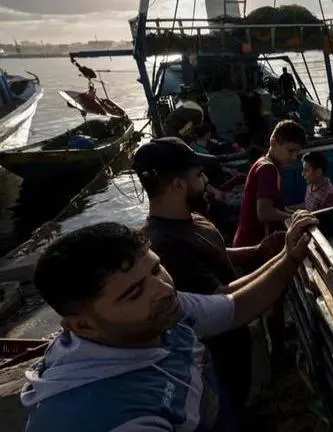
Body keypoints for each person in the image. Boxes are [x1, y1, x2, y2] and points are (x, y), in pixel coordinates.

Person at [21, 213, 317, 431]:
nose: (164, 289)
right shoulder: (111, 417)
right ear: (83, 326)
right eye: (134, 293)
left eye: (157, 269)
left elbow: (236, 307)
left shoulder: (159, 313)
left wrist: (288, 258)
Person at [131, 137, 284, 418]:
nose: (205, 182)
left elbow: (215, 251)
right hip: (215, 361)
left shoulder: (192, 219)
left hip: (236, 344)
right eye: (199, 175)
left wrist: (258, 250)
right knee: (228, 413)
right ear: (178, 185)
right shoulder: (164, 245)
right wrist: (286, 261)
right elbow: (222, 298)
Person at [233, 120, 305, 365]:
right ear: (274, 143)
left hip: (249, 241)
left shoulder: (262, 164)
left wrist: (287, 212)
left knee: (268, 301)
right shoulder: (268, 170)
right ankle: (278, 354)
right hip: (256, 245)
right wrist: (293, 217)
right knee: (272, 299)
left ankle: (275, 347)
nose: (294, 157)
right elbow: (264, 212)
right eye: (290, 150)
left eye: (297, 152)